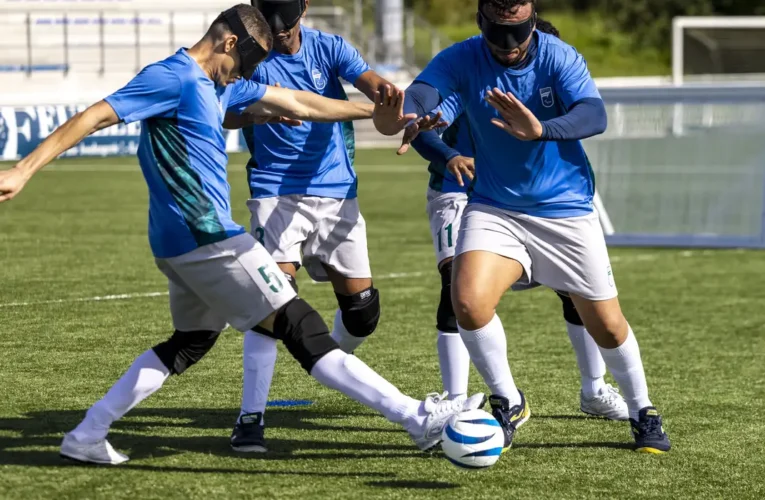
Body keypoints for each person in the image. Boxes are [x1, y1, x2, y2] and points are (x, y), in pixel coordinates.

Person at [0, 4, 481, 465]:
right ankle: (416, 418)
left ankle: (88, 434)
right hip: (208, 238)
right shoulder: (174, 76)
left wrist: (371, 114)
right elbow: (95, 116)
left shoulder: (218, 85)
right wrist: (23, 170)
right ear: (227, 41)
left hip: (179, 245)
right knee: (300, 326)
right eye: (245, 64)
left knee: (189, 343)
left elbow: (299, 101)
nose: (245, 75)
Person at [376, 0, 671, 454]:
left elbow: (595, 115)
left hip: (565, 210)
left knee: (608, 326)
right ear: (482, 22)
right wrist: (408, 113)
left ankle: (643, 410)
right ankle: (509, 401)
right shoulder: (461, 57)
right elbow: (425, 94)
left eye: (519, 32)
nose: (510, 46)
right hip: (495, 207)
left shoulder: (559, 56)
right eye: (499, 33)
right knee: (467, 301)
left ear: (532, 21)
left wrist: (542, 129)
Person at [409, 18, 628, 422]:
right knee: (456, 286)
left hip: (531, 199)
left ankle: (595, 389)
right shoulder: (470, 75)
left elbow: (589, 117)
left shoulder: (553, 79)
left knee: (577, 295)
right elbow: (423, 122)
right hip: (458, 190)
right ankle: (458, 396)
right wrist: (445, 152)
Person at [221, 0, 401, 453]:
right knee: (270, 308)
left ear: (304, 8)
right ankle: (250, 419)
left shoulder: (330, 47)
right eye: (271, 24)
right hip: (274, 194)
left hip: (338, 194)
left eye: (288, 24)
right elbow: (223, 114)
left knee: (362, 313)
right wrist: (257, 113)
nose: (280, 34)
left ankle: (331, 361)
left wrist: (390, 99)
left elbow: (375, 86)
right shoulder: (247, 54)